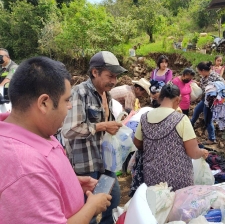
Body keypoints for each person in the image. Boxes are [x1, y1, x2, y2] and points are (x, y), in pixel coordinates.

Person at [0, 56, 112, 223]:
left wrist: (69, 184)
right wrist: (92, 207)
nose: (70, 106)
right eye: (66, 100)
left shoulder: (38, 131)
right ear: (44, 103)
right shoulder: (25, 167)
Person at [62, 51, 127, 224]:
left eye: (115, 77)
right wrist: (102, 126)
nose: (113, 81)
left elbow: (106, 126)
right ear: (95, 72)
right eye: (110, 76)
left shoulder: (108, 95)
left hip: (104, 160)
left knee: (112, 199)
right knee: (87, 211)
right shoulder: (80, 92)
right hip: (85, 164)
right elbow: (69, 130)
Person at [133, 84, 209, 191]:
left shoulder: (144, 117)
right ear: (178, 100)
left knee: (157, 206)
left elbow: (137, 143)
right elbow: (193, 153)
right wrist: (202, 152)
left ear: (159, 98)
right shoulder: (181, 119)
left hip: (152, 178)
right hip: (178, 179)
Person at [190, 61, 225, 145]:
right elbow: (204, 86)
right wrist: (197, 83)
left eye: (199, 71)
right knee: (196, 111)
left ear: (202, 70)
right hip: (205, 99)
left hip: (211, 102)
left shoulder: (215, 76)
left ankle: (212, 138)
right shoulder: (204, 77)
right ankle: (189, 127)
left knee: (208, 119)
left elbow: (224, 86)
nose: (199, 73)